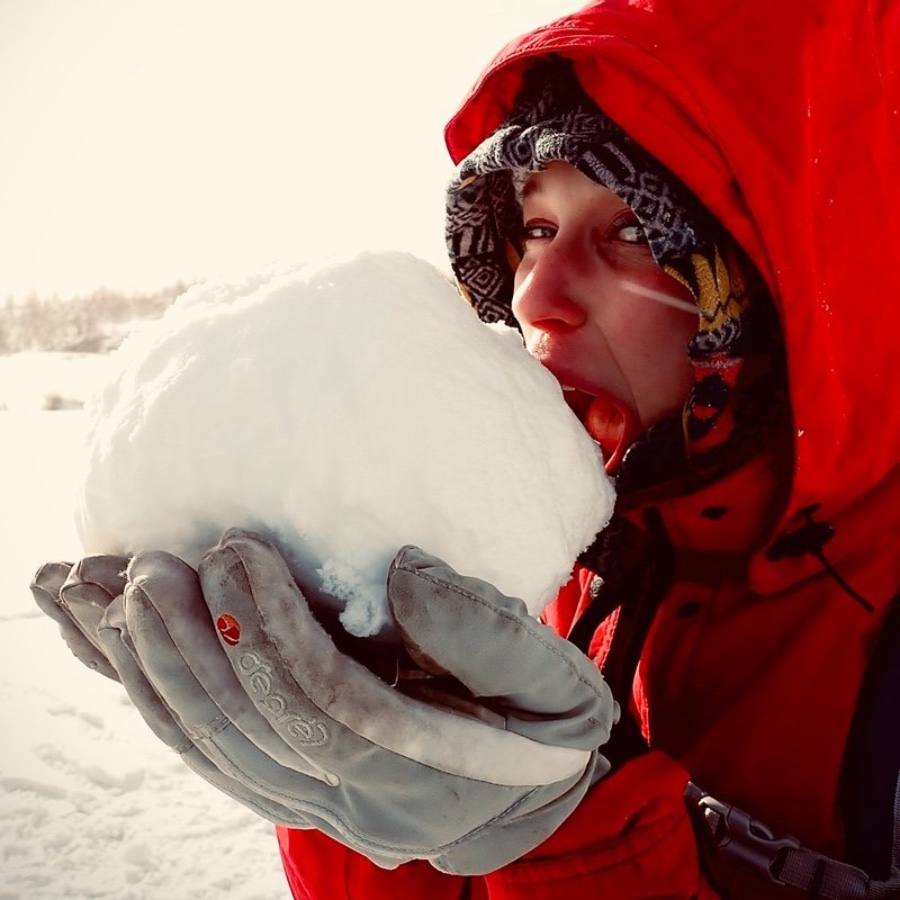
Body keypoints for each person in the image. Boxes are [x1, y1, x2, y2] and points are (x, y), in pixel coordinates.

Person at [32, 0, 899, 898]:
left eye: (632, 231)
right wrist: (359, 793)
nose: (537, 298)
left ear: (808, 274)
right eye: (534, 228)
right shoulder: (547, 565)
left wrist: (570, 838)